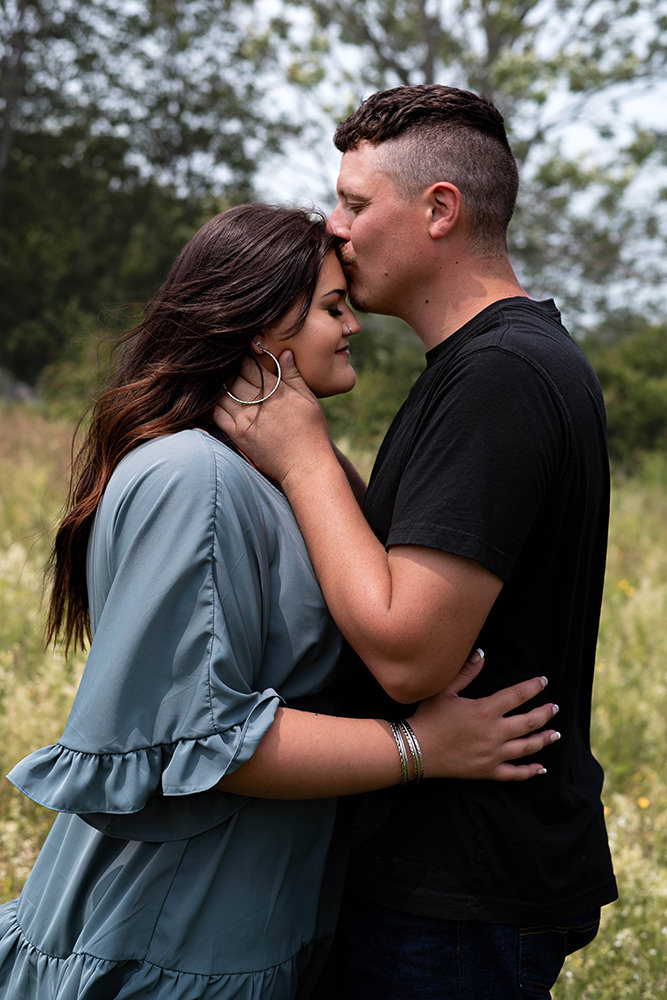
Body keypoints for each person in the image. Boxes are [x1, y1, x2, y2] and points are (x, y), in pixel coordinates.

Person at [0, 203, 559, 1000]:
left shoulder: (269, 477)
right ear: (261, 332)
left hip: (238, 932)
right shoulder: (193, 478)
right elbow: (202, 737)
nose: (353, 325)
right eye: (332, 308)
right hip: (163, 944)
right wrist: (419, 749)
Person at [216, 87, 618, 999]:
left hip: (454, 895)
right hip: (447, 883)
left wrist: (304, 457)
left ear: (439, 209)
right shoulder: (486, 368)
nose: (334, 225)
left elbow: (408, 651)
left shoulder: (501, 376)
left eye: (356, 203)